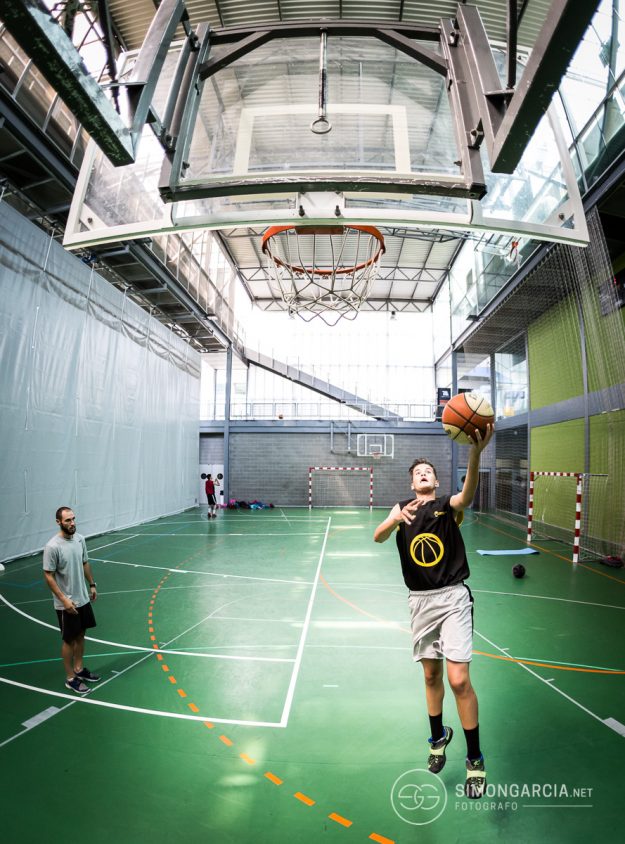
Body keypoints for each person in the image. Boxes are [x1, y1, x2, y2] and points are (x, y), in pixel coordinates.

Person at [373, 425, 494, 799]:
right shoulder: (401, 509)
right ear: (412, 483)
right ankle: (438, 738)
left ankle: (474, 759)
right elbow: (378, 536)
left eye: (428, 472)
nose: (423, 474)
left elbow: (467, 496)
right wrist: (394, 520)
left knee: (458, 680)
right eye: (417, 473)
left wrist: (474, 453)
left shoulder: (446, 506)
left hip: (452, 597)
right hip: (420, 601)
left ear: (436, 481)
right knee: (430, 675)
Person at [43, 507, 101, 695]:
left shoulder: (80, 539)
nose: (72, 523)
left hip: (82, 598)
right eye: (68, 520)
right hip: (66, 603)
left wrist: (92, 584)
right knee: (69, 640)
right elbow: (48, 576)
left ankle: (79, 669)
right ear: (58, 522)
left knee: (81, 634)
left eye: (73, 519)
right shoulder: (53, 546)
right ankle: (70, 678)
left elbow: (85, 562)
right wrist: (64, 600)